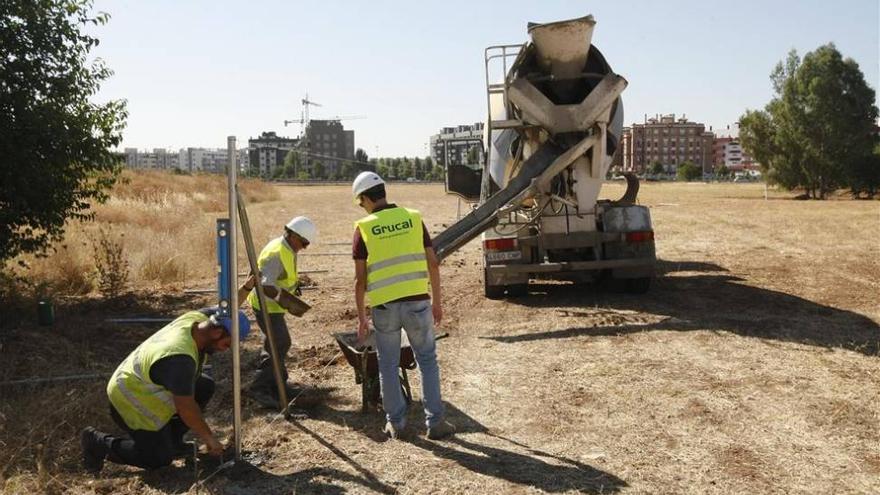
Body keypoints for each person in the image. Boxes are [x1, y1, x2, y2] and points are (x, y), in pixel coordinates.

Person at [80, 304, 251, 473]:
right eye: (226, 345)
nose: (224, 350)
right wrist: (209, 439)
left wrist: (248, 286)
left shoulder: (198, 319)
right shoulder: (179, 359)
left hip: (143, 382)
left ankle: (174, 442)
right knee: (158, 459)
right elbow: (187, 408)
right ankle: (97, 442)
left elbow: (227, 308)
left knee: (204, 386)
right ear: (217, 332)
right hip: (128, 399)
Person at [351, 171, 453, 440]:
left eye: (361, 202)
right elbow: (433, 262)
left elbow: (360, 281)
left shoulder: (364, 228)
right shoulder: (413, 218)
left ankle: (396, 424)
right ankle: (436, 422)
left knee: (387, 364)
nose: (362, 207)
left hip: (384, 308)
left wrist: (362, 317)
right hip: (418, 303)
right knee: (427, 361)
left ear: (365, 198)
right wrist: (438, 301)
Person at [246, 216, 317, 408]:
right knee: (280, 342)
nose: (304, 247)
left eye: (307, 244)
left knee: (277, 342)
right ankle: (259, 387)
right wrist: (287, 301)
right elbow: (265, 284)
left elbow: (280, 277)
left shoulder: (285, 246)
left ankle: (278, 383)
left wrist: (293, 289)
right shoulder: (277, 252)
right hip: (266, 306)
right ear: (293, 235)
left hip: (273, 305)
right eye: (303, 243)